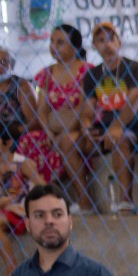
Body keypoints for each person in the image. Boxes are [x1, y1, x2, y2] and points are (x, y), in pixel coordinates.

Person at [82, 22, 138, 215]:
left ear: (120, 42)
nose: (107, 44)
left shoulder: (135, 67)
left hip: (133, 127)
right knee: (70, 143)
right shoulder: (92, 75)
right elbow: (87, 110)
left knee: (121, 140)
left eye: (111, 38)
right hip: (103, 129)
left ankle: (125, 202)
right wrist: (86, 128)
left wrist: (116, 126)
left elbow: (134, 100)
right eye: (101, 40)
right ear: (94, 46)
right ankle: (84, 203)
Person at [33, 27, 94, 213]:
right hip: (53, 131)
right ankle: (40, 202)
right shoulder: (47, 74)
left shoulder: (86, 71)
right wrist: (49, 131)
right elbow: (41, 110)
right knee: (30, 143)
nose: (54, 46)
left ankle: (84, 202)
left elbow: (83, 109)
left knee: (66, 142)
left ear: (75, 46)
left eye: (60, 42)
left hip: (77, 128)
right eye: (52, 41)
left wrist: (63, 132)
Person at [0, 49, 59, 193]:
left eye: (4, 62)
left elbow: (34, 120)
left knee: (29, 142)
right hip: (2, 139)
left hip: (19, 134)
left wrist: (15, 132)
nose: (0, 66)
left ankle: (42, 190)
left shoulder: (21, 85)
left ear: (11, 66)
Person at [0, 139, 45, 276]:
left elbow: (42, 186)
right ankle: (12, 270)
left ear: (7, 142)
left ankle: (12, 270)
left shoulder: (22, 162)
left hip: (22, 210)